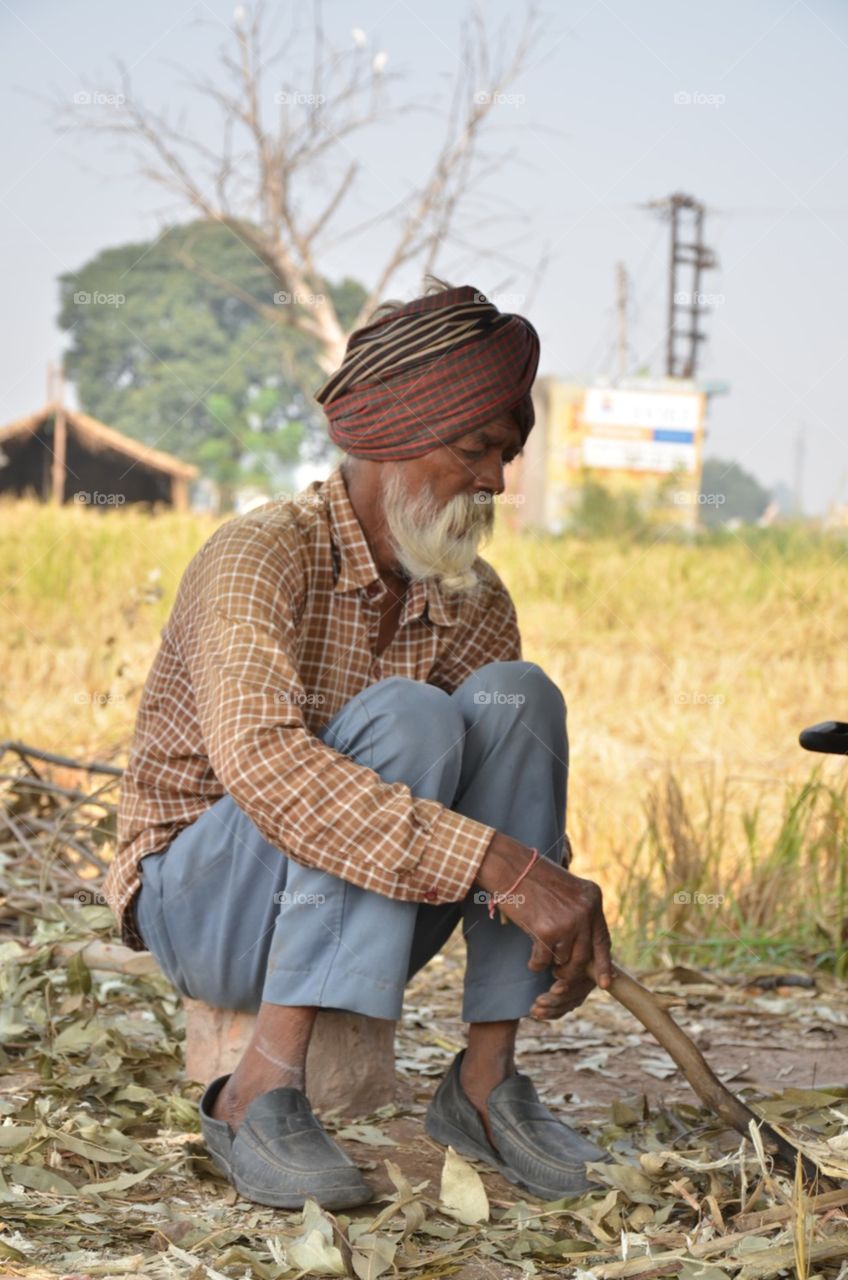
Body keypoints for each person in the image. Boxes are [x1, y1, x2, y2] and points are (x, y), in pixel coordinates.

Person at [102, 279, 614, 1210]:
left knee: (518, 697)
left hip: (365, 917)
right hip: (206, 905)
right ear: (389, 436)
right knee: (410, 717)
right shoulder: (259, 554)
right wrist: (507, 866)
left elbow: (502, 803)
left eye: (507, 454)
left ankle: (487, 1083)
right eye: (477, 449)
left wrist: (554, 889)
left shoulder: (473, 595)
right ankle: (259, 1088)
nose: (497, 481)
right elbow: (269, 771)